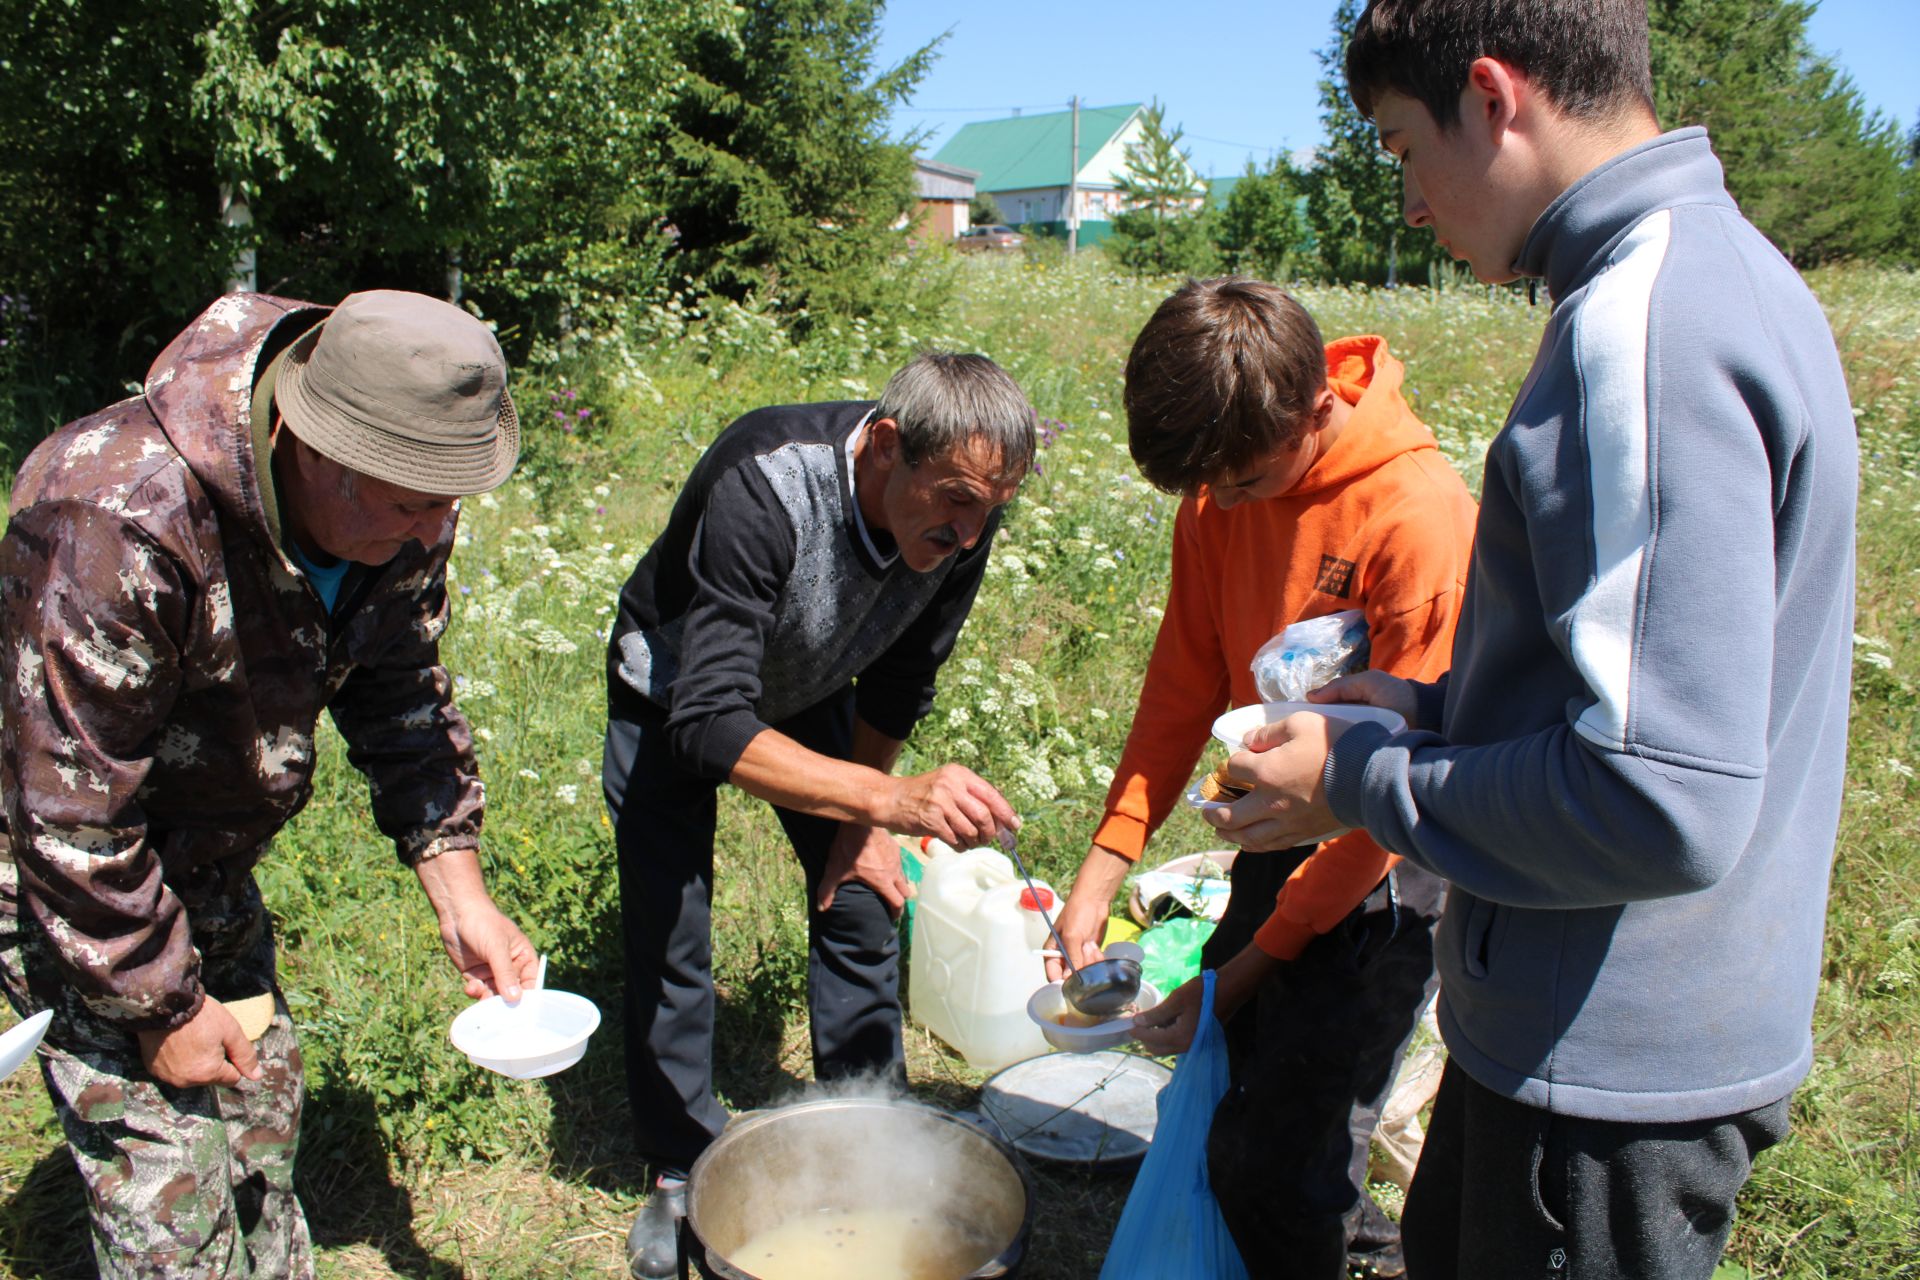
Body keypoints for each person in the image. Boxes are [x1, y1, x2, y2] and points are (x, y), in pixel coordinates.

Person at [1176, 3, 1859, 1277]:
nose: (1411, 204)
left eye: (1396, 150)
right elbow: (1637, 697)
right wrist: (1422, 715)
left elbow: (1664, 798)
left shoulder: (1644, 333)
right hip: (1570, 1024)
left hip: (1603, 1068)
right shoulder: (1712, 279)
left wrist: (1356, 777)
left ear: (1492, 98)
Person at [0, 289, 540, 1278]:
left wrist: (459, 890)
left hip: (199, 858)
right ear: (307, 440)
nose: (434, 529)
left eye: (450, 499)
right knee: (172, 1189)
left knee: (256, 1122)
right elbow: (69, 812)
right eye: (412, 500)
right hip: (62, 877)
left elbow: (401, 691)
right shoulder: (113, 520)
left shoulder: (403, 517)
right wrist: (158, 1007)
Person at [1050, 278, 1476, 1278]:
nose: (1224, 507)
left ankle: (1332, 1236)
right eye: (1211, 491)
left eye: (1243, 484)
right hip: (1280, 829)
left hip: (1387, 870)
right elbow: (1181, 685)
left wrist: (1239, 972)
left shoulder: (1416, 517)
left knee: (1298, 1147)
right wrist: (1102, 868)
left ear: (1319, 405)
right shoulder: (1216, 488)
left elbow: (1407, 788)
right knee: (1233, 1102)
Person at [604, 351, 1032, 1277]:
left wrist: (863, 822)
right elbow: (711, 723)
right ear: (886, 446)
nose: (967, 530)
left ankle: (871, 1123)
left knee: (864, 888)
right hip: (677, 693)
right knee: (671, 931)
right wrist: (888, 797)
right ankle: (680, 1165)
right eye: (953, 499)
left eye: (987, 510)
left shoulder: (966, 513)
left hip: (810, 681)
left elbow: (900, 675)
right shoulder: (763, 480)